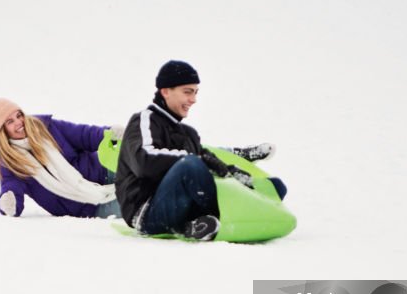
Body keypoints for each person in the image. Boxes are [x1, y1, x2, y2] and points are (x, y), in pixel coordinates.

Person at [114, 60, 284, 241]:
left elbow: (206, 158)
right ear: (165, 91)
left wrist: (231, 173)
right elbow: (144, 161)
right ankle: (225, 213)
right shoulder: (144, 120)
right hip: (147, 213)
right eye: (187, 92)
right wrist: (196, 160)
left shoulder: (188, 134)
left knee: (273, 186)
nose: (193, 100)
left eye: (195, 93)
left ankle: (200, 223)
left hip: (181, 206)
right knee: (190, 166)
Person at [0, 97, 122, 218]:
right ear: (2, 130)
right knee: (137, 205)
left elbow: (83, 135)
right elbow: (11, 185)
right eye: (10, 121)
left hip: (105, 170)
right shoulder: (10, 161)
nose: (19, 122)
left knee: (140, 168)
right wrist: (9, 201)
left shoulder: (46, 127)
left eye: (19, 115)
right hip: (89, 205)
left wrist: (109, 135)